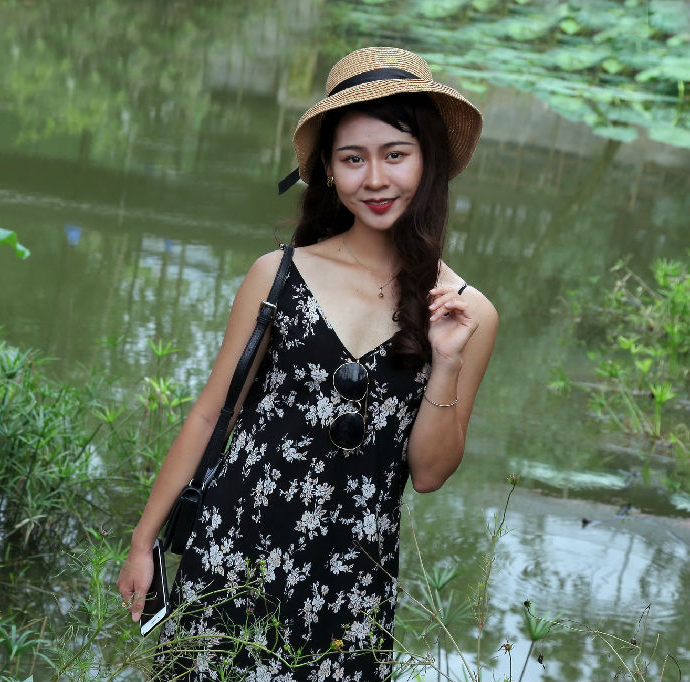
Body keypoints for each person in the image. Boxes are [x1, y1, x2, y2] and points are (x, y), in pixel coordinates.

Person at [116, 46, 498, 681]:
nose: (375, 179)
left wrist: (447, 361)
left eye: (395, 154)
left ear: (427, 160)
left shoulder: (466, 313)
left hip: (351, 582)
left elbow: (430, 474)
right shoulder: (278, 275)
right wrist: (143, 541)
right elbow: (210, 414)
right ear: (327, 169)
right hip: (232, 553)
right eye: (353, 159)